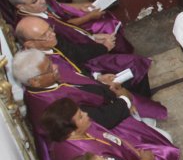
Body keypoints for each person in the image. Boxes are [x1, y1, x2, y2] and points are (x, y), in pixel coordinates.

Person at [12, 49, 179, 160]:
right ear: (35, 80)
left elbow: (78, 82)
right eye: (49, 68)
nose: (56, 67)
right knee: (162, 145)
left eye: (51, 62)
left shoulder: (43, 86)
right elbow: (98, 121)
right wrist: (124, 99)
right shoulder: (51, 104)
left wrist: (98, 79)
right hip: (104, 128)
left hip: (107, 107)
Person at [41, 98, 183, 160]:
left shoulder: (84, 128)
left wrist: (138, 154)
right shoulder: (88, 158)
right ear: (70, 131)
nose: (86, 114)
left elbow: (116, 139)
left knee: (161, 154)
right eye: (80, 116)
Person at [16, 14, 155, 99]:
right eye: (44, 35)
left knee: (134, 65)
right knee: (133, 66)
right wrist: (99, 80)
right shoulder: (40, 64)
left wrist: (97, 76)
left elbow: (75, 53)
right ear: (30, 43)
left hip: (89, 72)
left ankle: (142, 98)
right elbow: (74, 82)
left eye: (50, 29)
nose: (52, 34)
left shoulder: (50, 42)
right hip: (91, 91)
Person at [9, 0, 137, 58]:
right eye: (35, 1)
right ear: (20, 6)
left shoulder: (35, 9)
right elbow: (69, 50)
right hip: (82, 53)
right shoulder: (33, 26)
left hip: (83, 39)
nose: (43, 1)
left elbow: (64, 25)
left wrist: (93, 37)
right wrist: (97, 44)